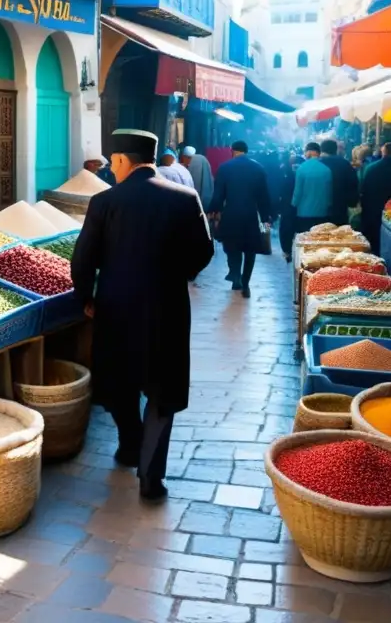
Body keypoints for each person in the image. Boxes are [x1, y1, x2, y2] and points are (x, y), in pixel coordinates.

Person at [71, 129, 213, 503]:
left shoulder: (104, 202)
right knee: (162, 390)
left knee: (119, 381)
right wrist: (178, 274)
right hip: (167, 307)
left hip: (115, 306)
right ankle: (150, 476)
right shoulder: (185, 197)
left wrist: (86, 295)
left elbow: (83, 258)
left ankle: (129, 444)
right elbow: (203, 251)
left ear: (120, 160)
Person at [208, 141, 272, 297]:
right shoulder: (258, 168)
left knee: (232, 247)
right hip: (250, 215)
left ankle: (236, 276)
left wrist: (213, 210)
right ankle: (246, 283)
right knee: (250, 250)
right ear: (246, 151)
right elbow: (263, 196)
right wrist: (265, 217)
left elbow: (218, 194)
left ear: (232, 151)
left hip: (231, 214)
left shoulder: (225, 168)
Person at [359, 141, 391, 252]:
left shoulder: (371, 168)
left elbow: (363, 190)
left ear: (384, 153)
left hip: (372, 212)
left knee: (374, 245)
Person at [291, 142, 333, 233]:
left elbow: (298, 192)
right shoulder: (327, 170)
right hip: (322, 212)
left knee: (305, 242)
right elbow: (329, 193)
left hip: (304, 212)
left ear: (309, 152)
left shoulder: (301, 169)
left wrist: (293, 204)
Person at [319, 139, 359, 226]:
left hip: (318, 209)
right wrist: (352, 202)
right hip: (339, 208)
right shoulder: (345, 164)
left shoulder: (316, 163)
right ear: (335, 150)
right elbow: (352, 185)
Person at [278, 153, 304, 261]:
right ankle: (294, 251)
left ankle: (287, 251)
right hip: (301, 205)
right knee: (299, 228)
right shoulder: (303, 169)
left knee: (286, 228)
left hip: (287, 204)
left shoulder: (284, 171)